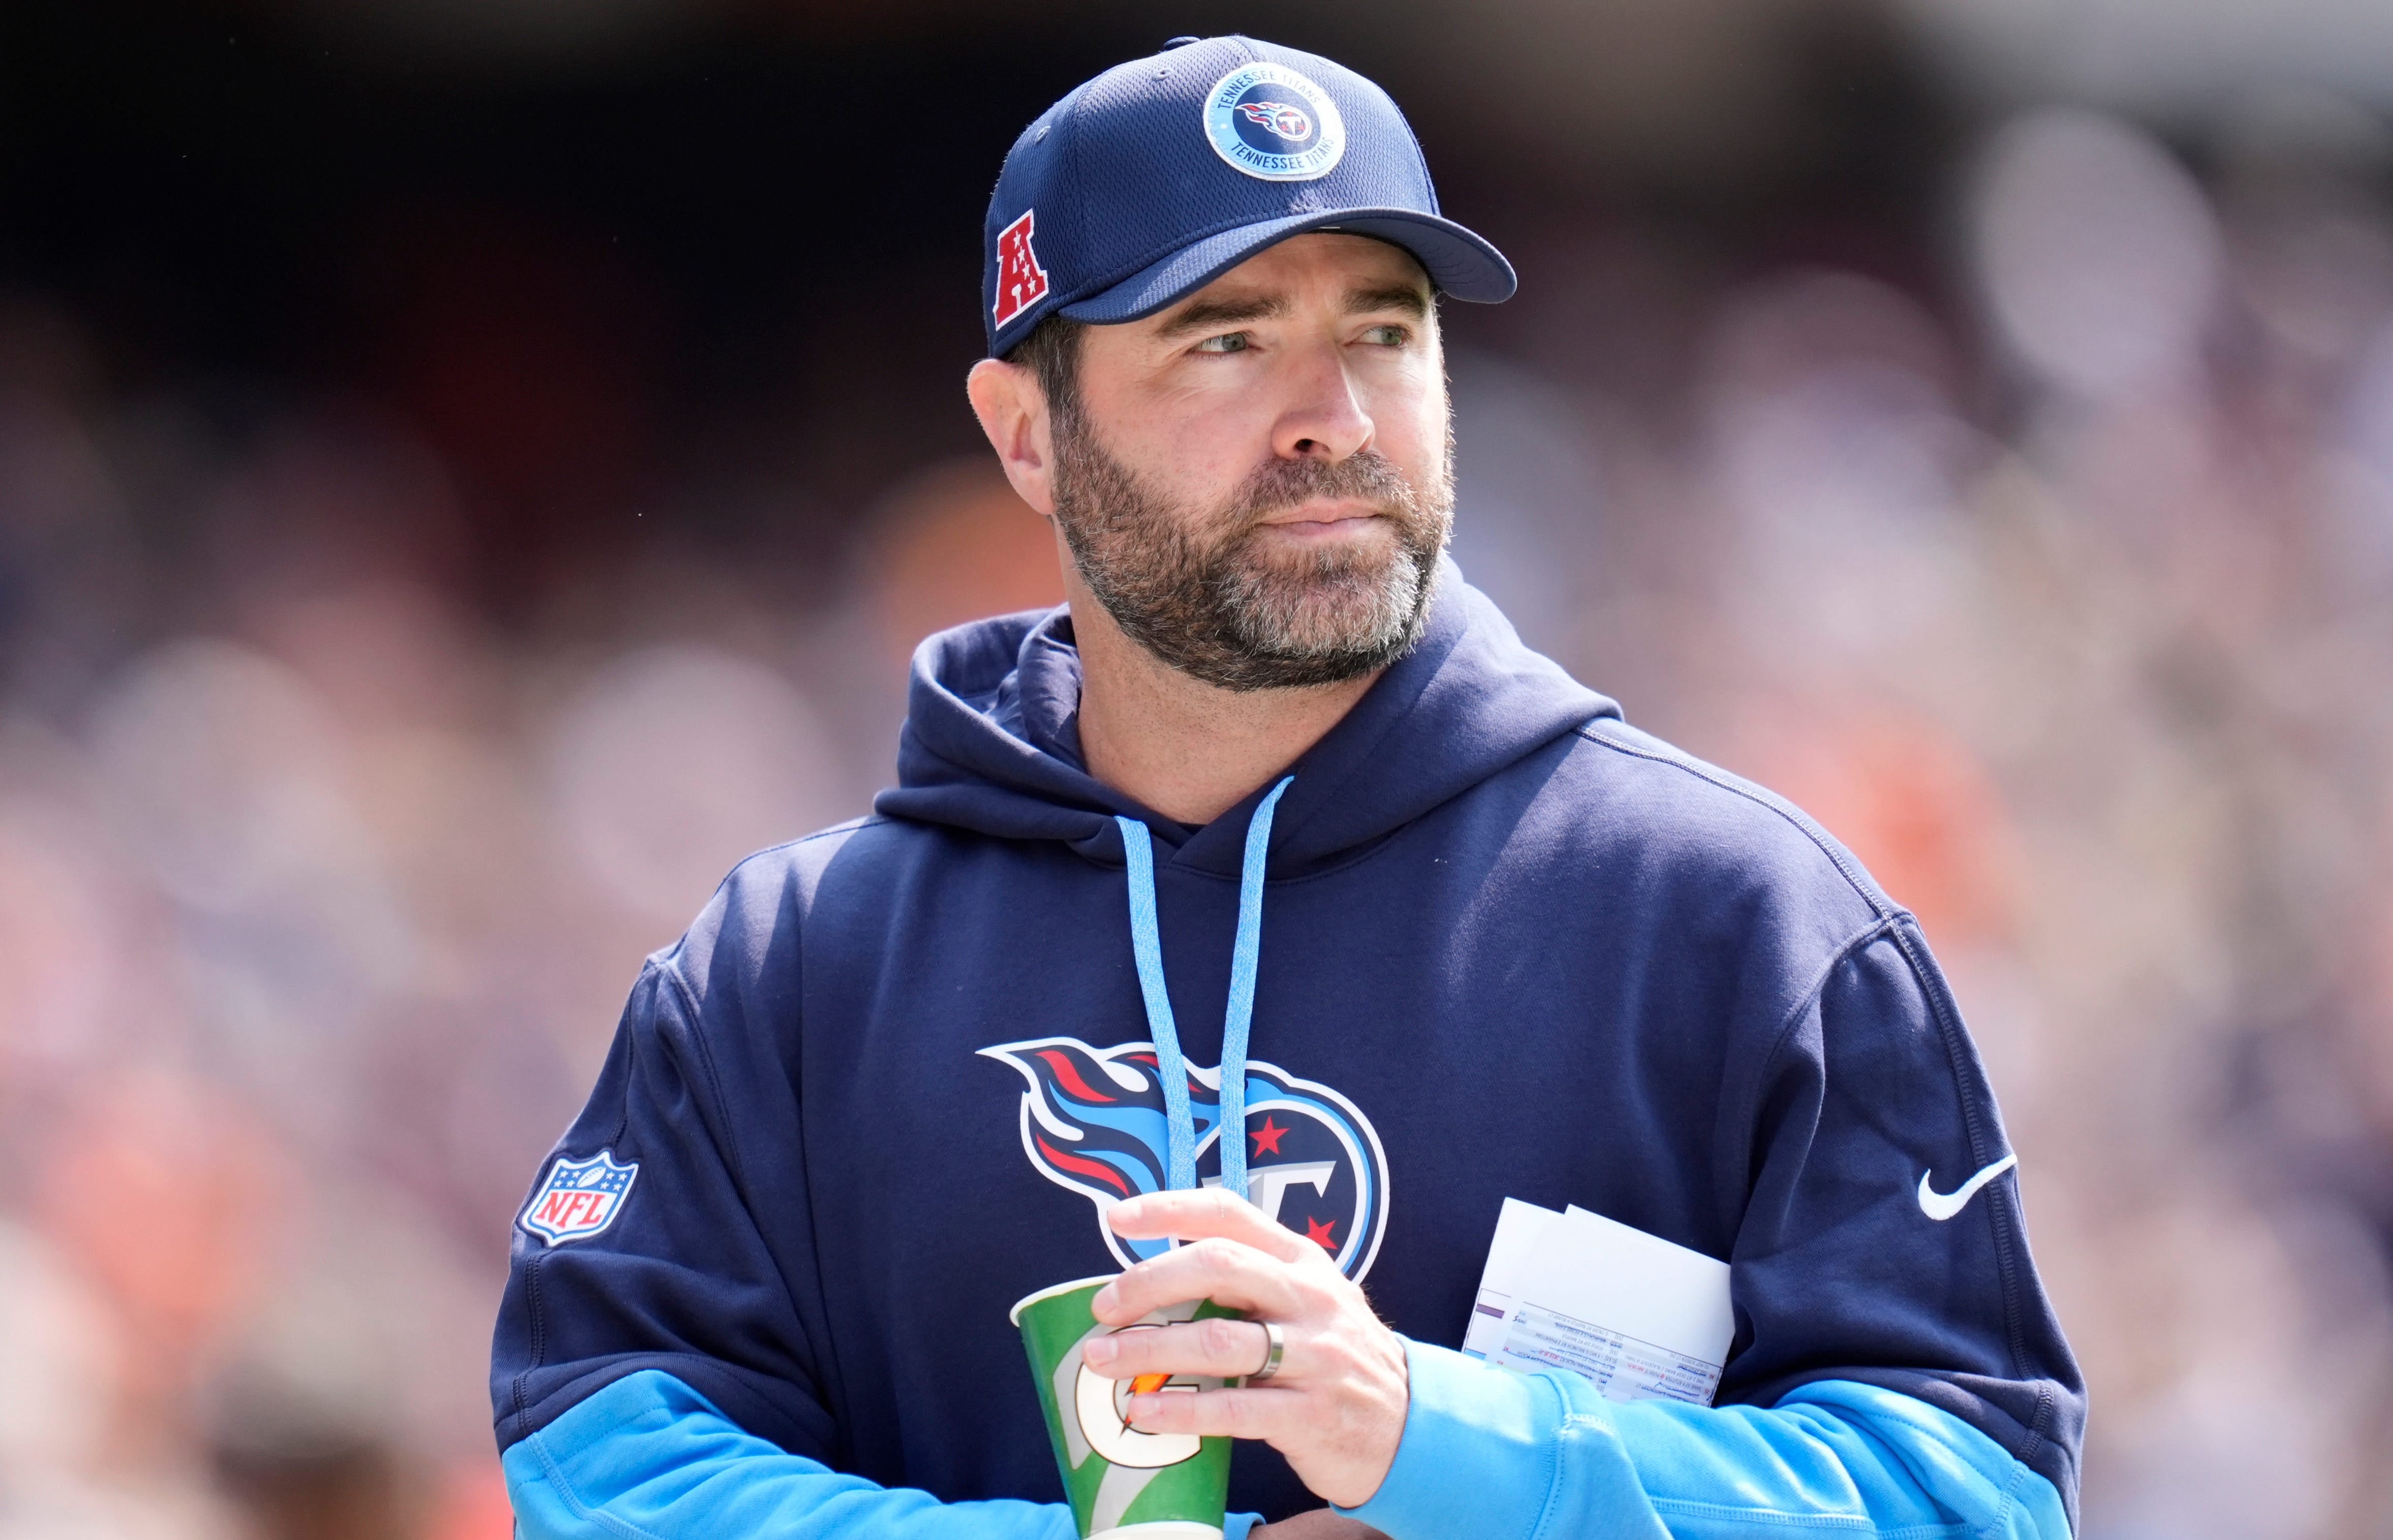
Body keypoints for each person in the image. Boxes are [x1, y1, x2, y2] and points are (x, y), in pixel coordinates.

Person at [491, 35, 2083, 1540]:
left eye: (1381, 331)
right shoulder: (789, 968)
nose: (1328, 419)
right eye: (1226, 340)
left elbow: (1975, 1495)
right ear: (1027, 434)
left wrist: (1436, 1437)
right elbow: (596, 1468)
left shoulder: (1740, 917)